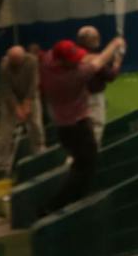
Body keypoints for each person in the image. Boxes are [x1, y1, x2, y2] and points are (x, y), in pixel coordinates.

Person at [38, 34, 124, 216]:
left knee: (81, 166)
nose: (77, 61)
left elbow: (89, 60)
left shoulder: (47, 62)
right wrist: (115, 44)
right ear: (62, 61)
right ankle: (55, 206)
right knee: (85, 168)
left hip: (64, 127)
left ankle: (70, 203)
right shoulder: (74, 76)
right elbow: (98, 62)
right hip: (77, 127)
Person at [0, 44, 44, 181]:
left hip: (30, 95)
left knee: (36, 126)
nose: (14, 65)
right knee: (5, 133)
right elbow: (6, 90)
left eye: (17, 61)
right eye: (12, 61)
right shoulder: (5, 67)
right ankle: (2, 165)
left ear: (22, 57)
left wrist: (27, 104)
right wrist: (16, 109)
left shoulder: (31, 61)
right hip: (10, 99)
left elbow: (34, 83)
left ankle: (40, 154)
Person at [75, 25, 121, 129]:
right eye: (95, 37)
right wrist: (117, 62)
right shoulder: (92, 59)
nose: (98, 39)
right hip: (93, 98)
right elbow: (111, 76)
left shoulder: (73, 55)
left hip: (75, 98)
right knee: (96, 128)